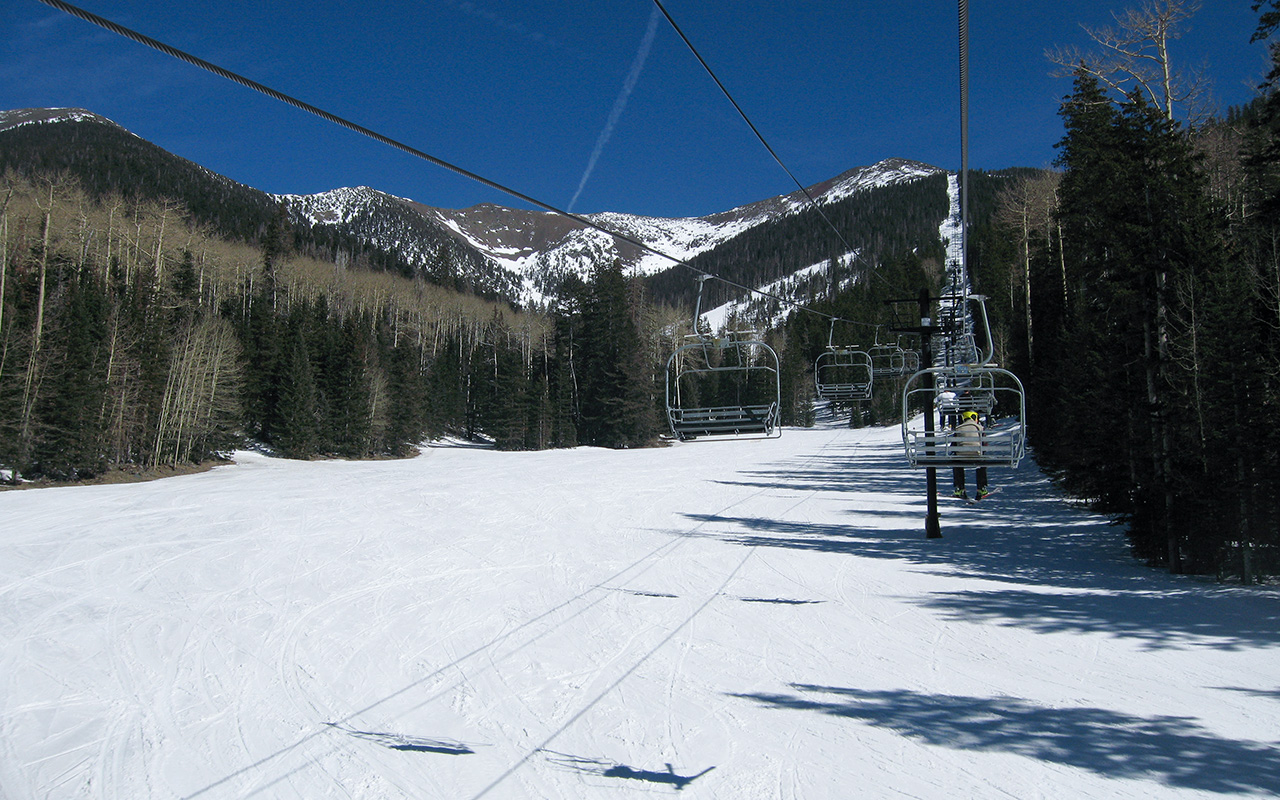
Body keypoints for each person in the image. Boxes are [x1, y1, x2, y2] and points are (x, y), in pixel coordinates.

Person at [951, 410, 990, 500]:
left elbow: (953, 445)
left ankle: (959, 488)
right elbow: (984, 444)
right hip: (976, 456)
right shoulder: (979, 427)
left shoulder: (958, 428)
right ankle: (981, 488)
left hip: (961, 457)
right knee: (982, 463)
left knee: (956, 463)